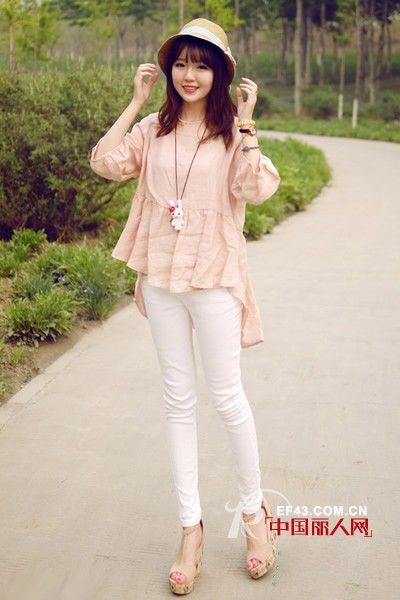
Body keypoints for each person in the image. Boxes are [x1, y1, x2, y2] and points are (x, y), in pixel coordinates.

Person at [90, 18, 280, 596]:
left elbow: (257, 189)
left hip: (214, 277)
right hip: (162, 278)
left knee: (226, 398)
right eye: (181, 63)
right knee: (177, 401)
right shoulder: (153, 129)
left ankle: (254, 516)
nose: (189, 74)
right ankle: (190, 530)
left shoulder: (231, 133)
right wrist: (134, 102)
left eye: (201, 64)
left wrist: (247, 124)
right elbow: (104, 161)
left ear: (219, 72)